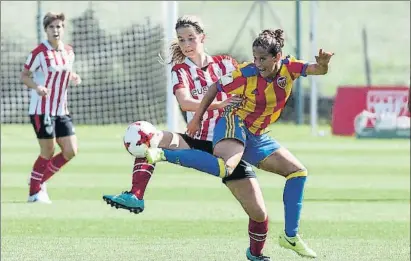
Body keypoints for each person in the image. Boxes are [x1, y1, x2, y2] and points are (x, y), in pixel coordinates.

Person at [147, 29, 334, 258]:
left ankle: (290, 236)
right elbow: (215, 87)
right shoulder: (246, 72)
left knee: (298, 172)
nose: (257, 63)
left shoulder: (290, 67)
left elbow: (317, 70)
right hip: (234, 121)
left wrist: (323, 64)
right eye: (255, 58)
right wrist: (196, 119)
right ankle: (162, 154)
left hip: (257, 134)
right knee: (228, 166)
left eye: (263, 58)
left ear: (278, 57)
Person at [103, 16, 271, 261]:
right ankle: (136, 195)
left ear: (202, 37)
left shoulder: (225, 63)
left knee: (258, 213)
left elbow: (250, 83)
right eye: (181, 40)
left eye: (191, 38)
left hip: (229, 143)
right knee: (146, 135)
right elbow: (185, 102)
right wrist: (221, 103)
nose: (186, 44)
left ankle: (256, 255)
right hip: (196, 139)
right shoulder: (180, 70)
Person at [21, 12, 81, 204]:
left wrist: (73, 77)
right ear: (46, 30)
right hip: (41, 110)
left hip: (61, 110)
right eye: (51, 27)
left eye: (59, 27)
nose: (56, 30)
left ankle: (38, 181)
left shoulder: (69, 52)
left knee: (70, 150)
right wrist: (37, 87)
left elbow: (66, 70)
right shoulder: (39, 53)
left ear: (63, 29)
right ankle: (34, 193)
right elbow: (24, 76)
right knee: (48, 149)